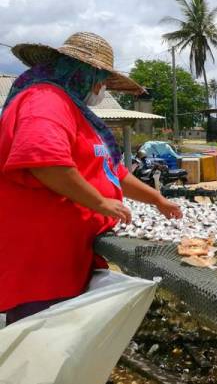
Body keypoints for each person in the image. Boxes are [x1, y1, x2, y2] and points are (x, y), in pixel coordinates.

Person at [0, 32, 183, 325]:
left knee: (60, 347)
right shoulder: (45, 101)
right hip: (40, 262)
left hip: (67, 257)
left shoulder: (74, 109)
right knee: (38, 348)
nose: (100, 89)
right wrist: (100, 203)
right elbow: (45, 162)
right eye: (100, 80)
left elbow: (113, 171)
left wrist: (157, 199)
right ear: (82, 73)